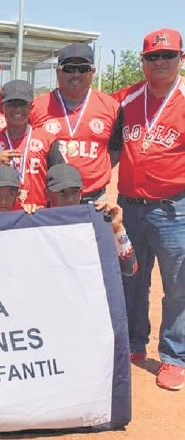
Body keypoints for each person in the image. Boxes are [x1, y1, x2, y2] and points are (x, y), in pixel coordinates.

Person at [110, 28, 185, 391]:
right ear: (142, 62)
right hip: (129, 208)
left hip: (174, 209)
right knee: (132, 279)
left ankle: (173, 356)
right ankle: (134, 343)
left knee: (177, 285)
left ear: (180, 59)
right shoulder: (125, 99)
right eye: (152, 57)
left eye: (167, 55)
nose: (159, 62)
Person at [30, 42, 120, 204]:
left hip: (95, 199)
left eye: (83, 68)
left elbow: (115, 148)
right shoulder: (37, 107)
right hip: (51, 200)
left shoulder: (111, 106)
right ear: (58, 72)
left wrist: (96, 172)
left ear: (92, 71)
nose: (76, 74)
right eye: (69, 68)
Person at [0, 80, 65, 210]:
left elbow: (61, 184)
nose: (17, 109)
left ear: (31, 107)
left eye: (22, 104)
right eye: (11, 104)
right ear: (1, 108)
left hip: (37, 216)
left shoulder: (48, 141)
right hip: (0, 219)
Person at [44, 163, 138, 275]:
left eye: (75, 192)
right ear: (48, 194)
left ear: (81, 193)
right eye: (62, 192)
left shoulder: (96, 221)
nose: (69, 199)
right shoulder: (37, 224)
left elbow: (130, 268)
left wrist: (118, 230)